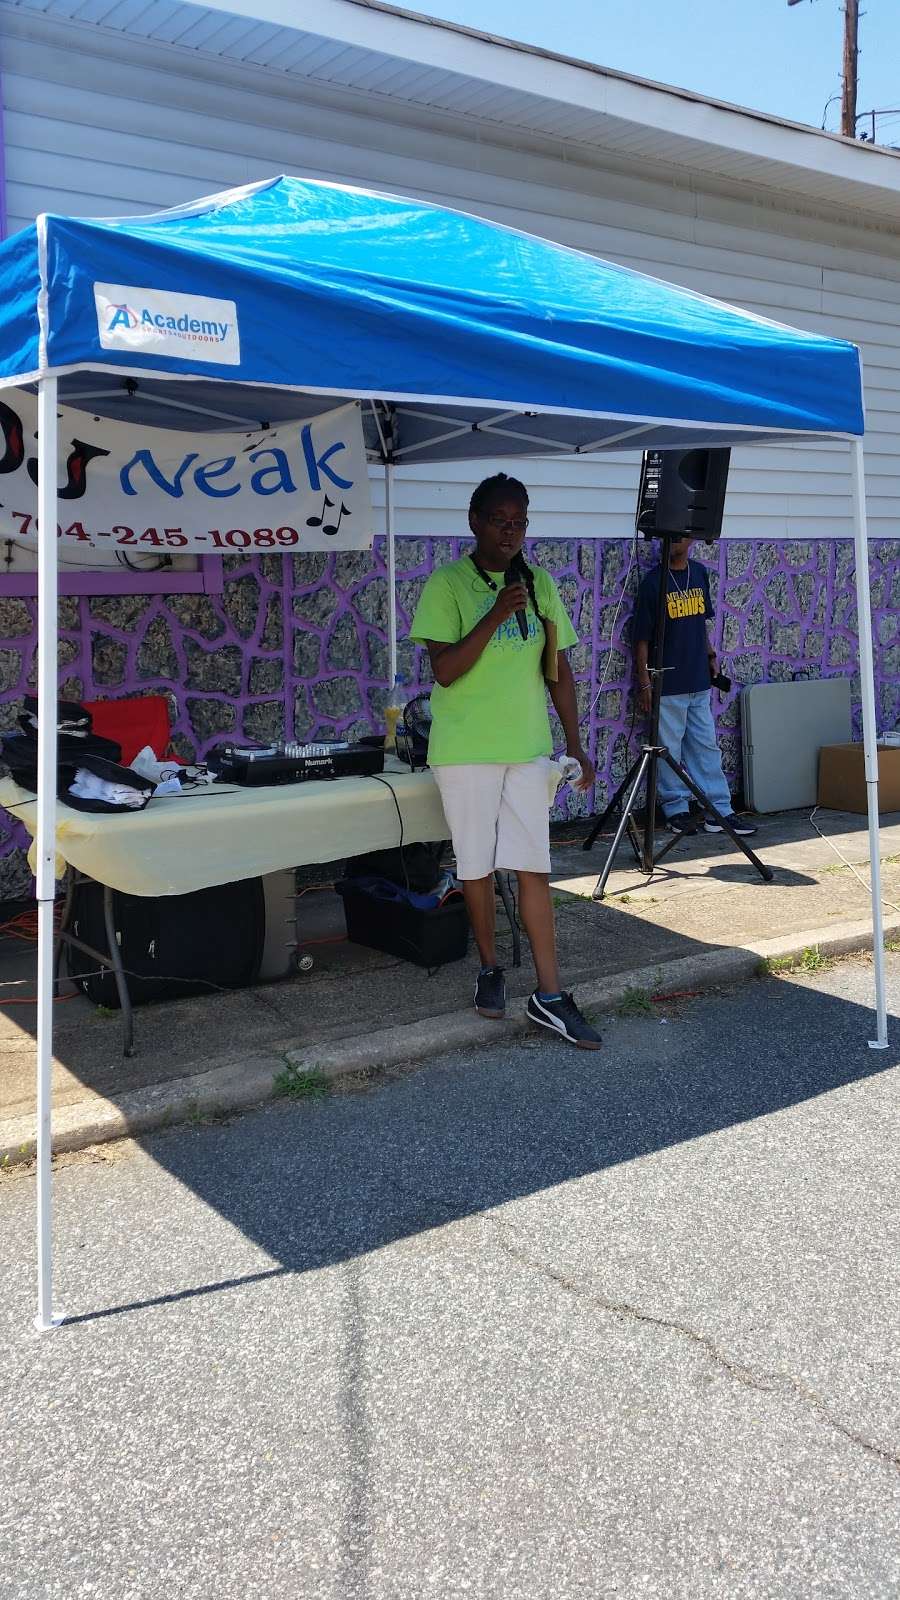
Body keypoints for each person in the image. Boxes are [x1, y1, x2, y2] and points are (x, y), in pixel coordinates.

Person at [409, 473, 602, 1049]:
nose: (511, 532)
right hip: (466, 750)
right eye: (500, 520)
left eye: (520, 521)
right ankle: (491, 968)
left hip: (526, 749)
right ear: (475, 522)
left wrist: (574, 740)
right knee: (476, 866)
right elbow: (443, 670)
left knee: (532, 863)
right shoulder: (446, 585)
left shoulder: (540, 584)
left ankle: (550, 993)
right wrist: (494, 613)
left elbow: (558, 670)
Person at [632, 537, 756, 837]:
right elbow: (641, 639)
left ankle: (719, 811)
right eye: (669, 535)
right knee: (669, 751)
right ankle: (677, 810)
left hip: (698, 679)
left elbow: (701, 623)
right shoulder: (653, 583)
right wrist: (645, 682)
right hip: (668, 683)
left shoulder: (699, 573)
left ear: (691, 539)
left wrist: (711, 656)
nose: (674, 541)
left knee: (706, 748)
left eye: (680, 535)